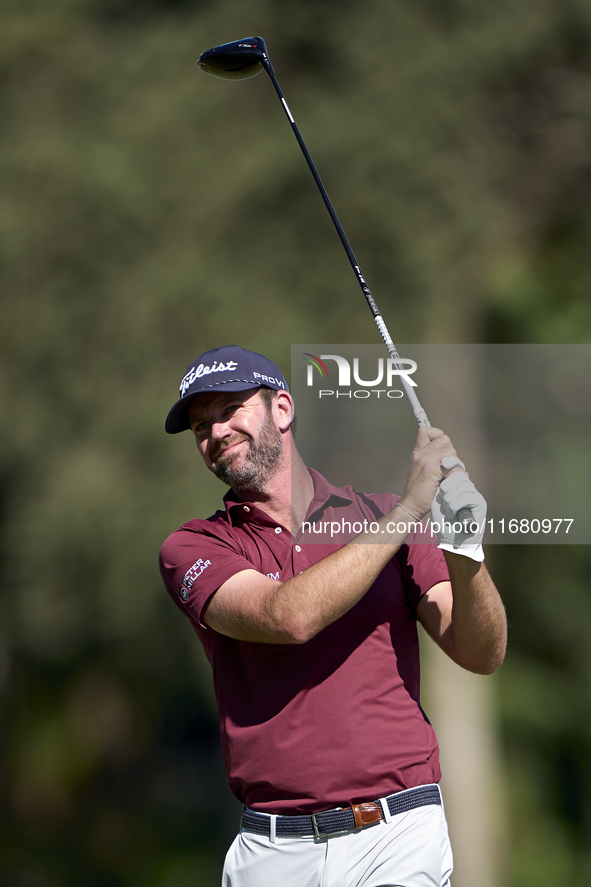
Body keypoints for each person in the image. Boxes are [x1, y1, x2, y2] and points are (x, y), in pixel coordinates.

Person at [159, 344, 507, 887]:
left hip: (396, 832)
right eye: (201, 426)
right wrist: (410, 509)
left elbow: (481, 653)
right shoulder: (195, 546)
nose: (216, 432)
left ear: (282, 409)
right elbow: (286, 617)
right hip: (272, 851)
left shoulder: (377, 517)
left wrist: (466, 551)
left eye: (230, 409)